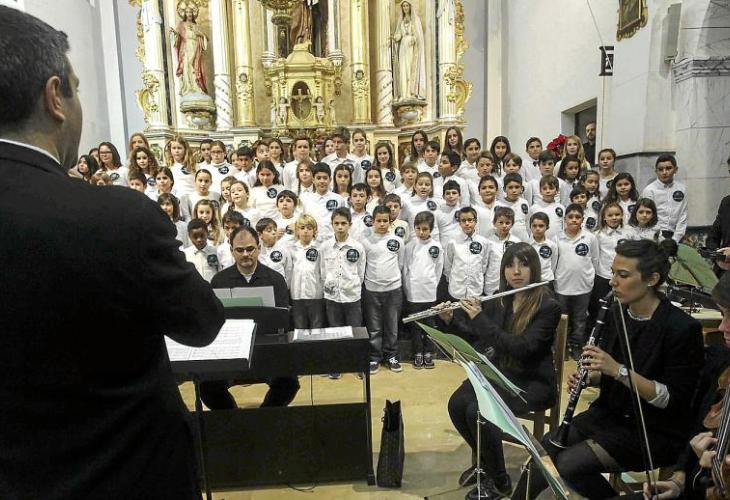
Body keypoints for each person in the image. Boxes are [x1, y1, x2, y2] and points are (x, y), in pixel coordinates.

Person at [0, 8, 224, 498]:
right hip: (127, 474)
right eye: (77, 89)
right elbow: (202, 322)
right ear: (55, 97)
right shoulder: (118, 218)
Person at [514, 239, 704, 499]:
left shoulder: (682, 328)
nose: (613, 281)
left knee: (570, 464)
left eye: (623, 275)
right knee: (546, 448)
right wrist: (591, 377)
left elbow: (671, 400)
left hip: (653, 430)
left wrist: (617, 370)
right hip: (611, 414)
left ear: (652, 279)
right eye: (613, 273)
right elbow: (608, 374)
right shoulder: (616, 314)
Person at [441, 243, 560, 499]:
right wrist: (452, 321)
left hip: (531, 382)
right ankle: (487, 465)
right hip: (501, 374)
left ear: (534, 268)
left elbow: (523, 349)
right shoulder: (500, 299)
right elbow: (482, 340)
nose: (516, 272)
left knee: (478, 411)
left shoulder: (548, 306)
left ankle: (499, 481)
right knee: (457, 404)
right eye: (510, 265)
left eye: (523, 265)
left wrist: (479, 318)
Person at [200, 226, 297, 409]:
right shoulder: (219, 281)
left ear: (259, 248)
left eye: (250, 249)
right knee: (207, 386)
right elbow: (213, 322)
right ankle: (234, 419)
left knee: (289, 383)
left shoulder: (275, 279)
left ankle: (264, 417)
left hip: (268, 353)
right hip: (230, 354)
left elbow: (284, 322)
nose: (245, 254)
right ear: (232, 251)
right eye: (240, 250)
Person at [553, 203, 599, 360]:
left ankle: (577, 345)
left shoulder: (590, 238)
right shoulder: (557, 238)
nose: (574, 220)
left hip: (583, 287)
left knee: (580, 320)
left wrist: (589, 278)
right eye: (570, 217)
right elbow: (554, 262)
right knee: (562, 319)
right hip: (562, 286)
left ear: (583, 219)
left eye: (577, 217)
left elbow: (595, 260)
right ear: (565, 219)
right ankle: (562, 346)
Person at [363, 205, 405, 374]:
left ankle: (391, 356)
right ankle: (374, 357)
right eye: (378, 221)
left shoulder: (398, 241)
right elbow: (363, 265)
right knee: (374, 327)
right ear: (373, 221)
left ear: (390, 221)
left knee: (392, 326)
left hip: (393, 289)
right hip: (372, 289)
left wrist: (391, 280)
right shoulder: (366, 242)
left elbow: (400, 264)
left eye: (385, 221)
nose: (382, 224)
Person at [403, 211, 444, 369]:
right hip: (414, 292)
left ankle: (429, 352)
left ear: (431, 229)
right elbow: (405, 269)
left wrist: (432, 284)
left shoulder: (436, 247)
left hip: (429, 292)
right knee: (415, 325)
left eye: (425, 229)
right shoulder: (410, 246)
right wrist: (408, 289)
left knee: (429, 324)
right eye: (418, 228)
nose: (421, 232)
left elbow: (438, 269)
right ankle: (417, 353)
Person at [641, 154, 688, 244]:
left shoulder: (682, 189)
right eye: (660, 169)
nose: (664, 172)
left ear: (675, 169)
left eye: (668, 168)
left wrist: (675, 239)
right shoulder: (649, 190)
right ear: (656, 171)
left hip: (676, 236)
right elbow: (647, 217)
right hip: (655, 235)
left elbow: (683, 215)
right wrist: (660, 239)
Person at [392, 0, 426, 101]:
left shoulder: (415, 20)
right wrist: (395, 38)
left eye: (407, 6)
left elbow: (418, 36)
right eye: (403, 6)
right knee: (402, 69)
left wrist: (414, 39)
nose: (405, 8)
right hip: (403, 47)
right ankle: (403, 94)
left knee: (410, 69)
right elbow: (399, 34)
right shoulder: (401, 21)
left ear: (410, 7)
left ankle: (410, 93)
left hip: (411, 49)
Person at [183, 218, 220, 283]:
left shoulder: (216, 251)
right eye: (195, 237)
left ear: (207, 233)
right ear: (189, 236)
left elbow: (220, 271)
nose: (199, 239)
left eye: (202, 235)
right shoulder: (185, 254)